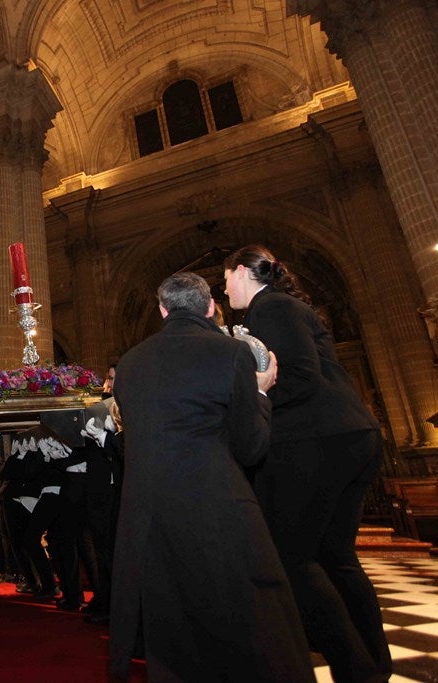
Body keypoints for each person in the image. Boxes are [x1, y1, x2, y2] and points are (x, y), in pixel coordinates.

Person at [110, 271, 312, 682]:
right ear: (210, 308)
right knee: (249, 616)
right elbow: (251, 446)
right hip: (214, 504)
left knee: (172, 626)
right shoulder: (230, 353)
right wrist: (260, 393)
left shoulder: (129, 364)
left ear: (163, 310)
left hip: (148, 513)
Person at [224, 244, 392, 682]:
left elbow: (299, 376)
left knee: (291, 557)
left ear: (241, 272)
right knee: (335, 557)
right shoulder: (283, 306)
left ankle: (355, 666)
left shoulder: (270, 308)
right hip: (347, 433)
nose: (224, 290)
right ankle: (373, 664)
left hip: (315, 439)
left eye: (225, 280)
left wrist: (255, 396)